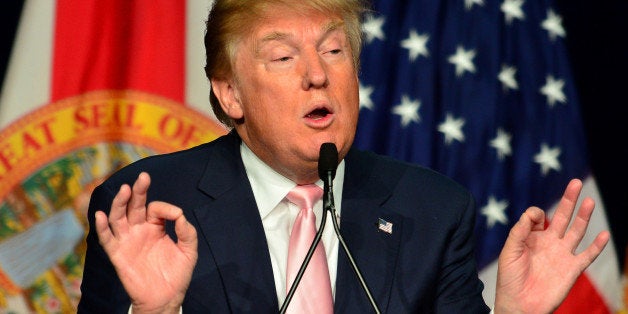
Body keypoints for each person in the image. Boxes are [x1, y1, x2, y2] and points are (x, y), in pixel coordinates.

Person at [77, 0, 609, 313]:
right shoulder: (151, 210)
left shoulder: (433, 210)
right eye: (284, 56)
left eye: (334, 51)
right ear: (230, 94)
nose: (317, 73)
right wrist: (154, 313)